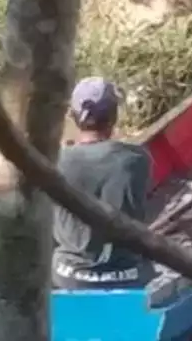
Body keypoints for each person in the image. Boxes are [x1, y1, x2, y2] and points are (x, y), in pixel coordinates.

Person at [52, 77, 153, 290]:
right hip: (128, 276)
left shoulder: (54, 160)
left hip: (67, 276)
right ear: (114, 117)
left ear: (73, 116)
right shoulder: (137, 159)